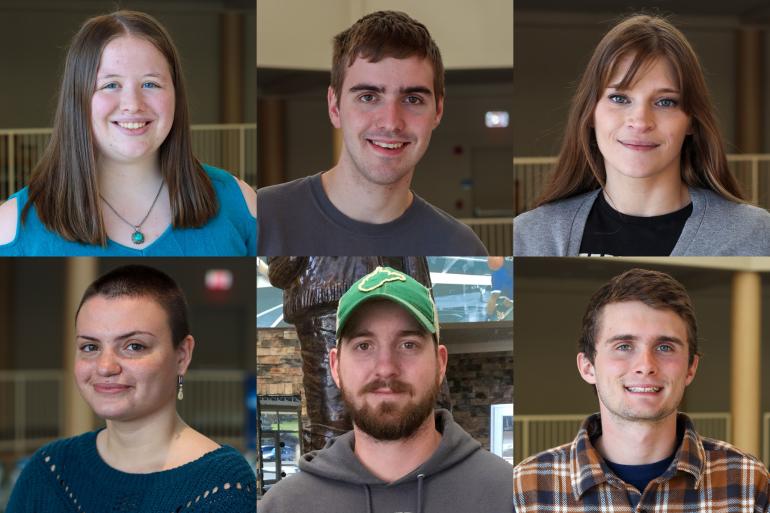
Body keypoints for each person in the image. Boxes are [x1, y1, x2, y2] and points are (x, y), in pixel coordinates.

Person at [0, 11, 256, 256]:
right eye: (111, 84)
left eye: (150, 84)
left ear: (176, 95)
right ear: (77, 98)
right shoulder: (11, 226)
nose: (133, 104)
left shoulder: (239, 201)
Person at [513, 268, 770, 511]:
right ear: (588, 367)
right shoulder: (527, 487)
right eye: (624, 346)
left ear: (691, 368)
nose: (646, 366)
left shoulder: (748, 482)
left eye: (665, 347)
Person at [259, 266, 512, 512]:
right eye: (364, 346)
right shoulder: (282, 505)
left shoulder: (512, 496)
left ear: (440, 363)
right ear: (335, 367)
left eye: (408, 344)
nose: (386, 368)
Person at [514, 15, 770, 256]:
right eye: (619, 98)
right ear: (590, 113)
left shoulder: (755, 234)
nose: (640, 122)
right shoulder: (529, 235)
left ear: (691, 120)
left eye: (665, 102)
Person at [7, 265, 256, 512]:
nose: (105, 367)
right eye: (90, 347)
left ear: (182, 356)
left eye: (134, 346)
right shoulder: (48, 470)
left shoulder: (222, 485)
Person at [257, 11, 487, 256]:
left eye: (412, 99)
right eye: (368, 97)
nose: (390, 123)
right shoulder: (261, 218)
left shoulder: (462, 248)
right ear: (334, 107)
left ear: (438, 111)